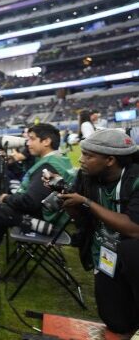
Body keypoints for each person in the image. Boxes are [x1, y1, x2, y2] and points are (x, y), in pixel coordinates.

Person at [55, 129, 139, 335]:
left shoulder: (136, 179)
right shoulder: (86, 177)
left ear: (110, 160)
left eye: (88, 155)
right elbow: (81, 218)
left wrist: (86, 202)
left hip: (133, 254)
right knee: (116, 322)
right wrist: (69, 203)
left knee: (130, 249)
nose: (81, 160)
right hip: (106, 253)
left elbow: (134, 228)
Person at [0, 123, 73, 270]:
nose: (27, 143)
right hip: (52, 216)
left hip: (41, 220)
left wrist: (6, 198)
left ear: (46, 141)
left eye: (31, 139)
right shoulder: (59, 158)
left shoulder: (49, 165)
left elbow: (29, 202)